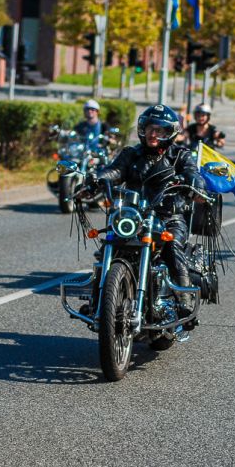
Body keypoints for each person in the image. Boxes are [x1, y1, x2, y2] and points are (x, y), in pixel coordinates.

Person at [88, 104, 205, 313]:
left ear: (169, 133)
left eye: (159, 130)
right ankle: (99, 300)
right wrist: (96, 179)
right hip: (133, 214)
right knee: (109, 244)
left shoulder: (180, 156)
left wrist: (196, 186)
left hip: (169, 216)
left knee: (172, 246)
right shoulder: (131, 154)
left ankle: (183, 296)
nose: (153, 134)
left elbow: (193, 173)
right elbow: (114, 171)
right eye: (150, 128)